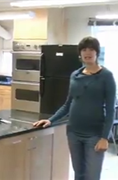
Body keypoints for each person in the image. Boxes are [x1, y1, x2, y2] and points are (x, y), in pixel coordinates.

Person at [33, 36, 116, 180]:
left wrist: (104, 137)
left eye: (91, 49)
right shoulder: (75, 75)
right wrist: (50, 120)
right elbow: (67, 105)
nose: (87, 52)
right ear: (80, 54)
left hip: (94, 135)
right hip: (73, 132)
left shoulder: (106, 76)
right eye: (84, 49)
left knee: (92, 176)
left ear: (96, 53)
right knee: (79, 174)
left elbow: (110, 110)